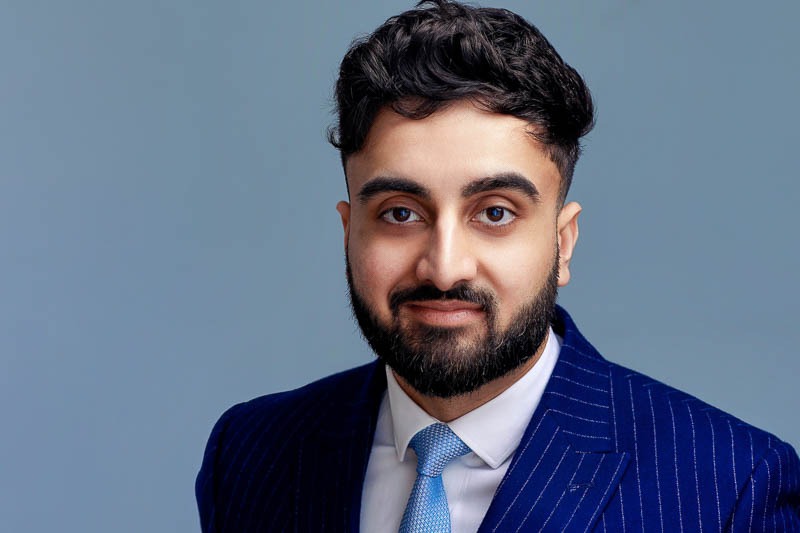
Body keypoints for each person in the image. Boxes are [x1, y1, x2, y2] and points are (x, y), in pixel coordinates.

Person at [196, 1, 800, 531]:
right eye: (401, 213)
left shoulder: (729, 490)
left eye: (495, 212)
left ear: (563, 243)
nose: (444, 266)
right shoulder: (251, 454)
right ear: (349, 231)